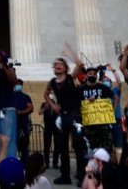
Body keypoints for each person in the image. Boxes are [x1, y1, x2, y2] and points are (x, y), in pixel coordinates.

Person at [44, 54, 85, 185]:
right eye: (55, 64)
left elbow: (80, 66)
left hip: (75, 115)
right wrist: (53, 105)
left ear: (65, 68)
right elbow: (45, 94)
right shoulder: (52, 82)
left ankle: (82, 176)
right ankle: (65, 176)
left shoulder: (70, 78)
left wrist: (74, 57)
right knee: (62, 147)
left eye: (60, 63)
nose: (57, 65)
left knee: (78, 146)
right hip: (62, 117)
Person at [77, 66, 117, 162]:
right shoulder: (81, 89)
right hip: (89, 125)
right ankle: (92, 170)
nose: (92, 75)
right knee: (91, 149)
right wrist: (86, 101)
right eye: (90, 74)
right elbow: (76, 104)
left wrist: (112, 112)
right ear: (86, 75)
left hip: (103, 124)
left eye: (94, 74)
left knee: (106, 148)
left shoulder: (102, 87)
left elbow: (115, 97)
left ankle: (106, 169)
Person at [12, 79, 33, 164]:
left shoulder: (25, 97)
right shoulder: (10, 96)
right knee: (12, 145)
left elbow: (31, 108)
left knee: (25, 146)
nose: (18, 85)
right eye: (17, 84)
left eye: (20, 84)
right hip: (12, 125)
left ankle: (25, 163)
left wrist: (20, 112)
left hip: (23, 125)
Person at [38, 97, 58, 169]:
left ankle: (55, 163)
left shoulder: (56, 103)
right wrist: (45, 108)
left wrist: (55, 105)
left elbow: (59, 112)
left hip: (56, 127)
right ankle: (46, 163)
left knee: (57, 145)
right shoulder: (44, 104)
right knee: (47, 145)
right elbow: (39, 112)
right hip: (47, 127)